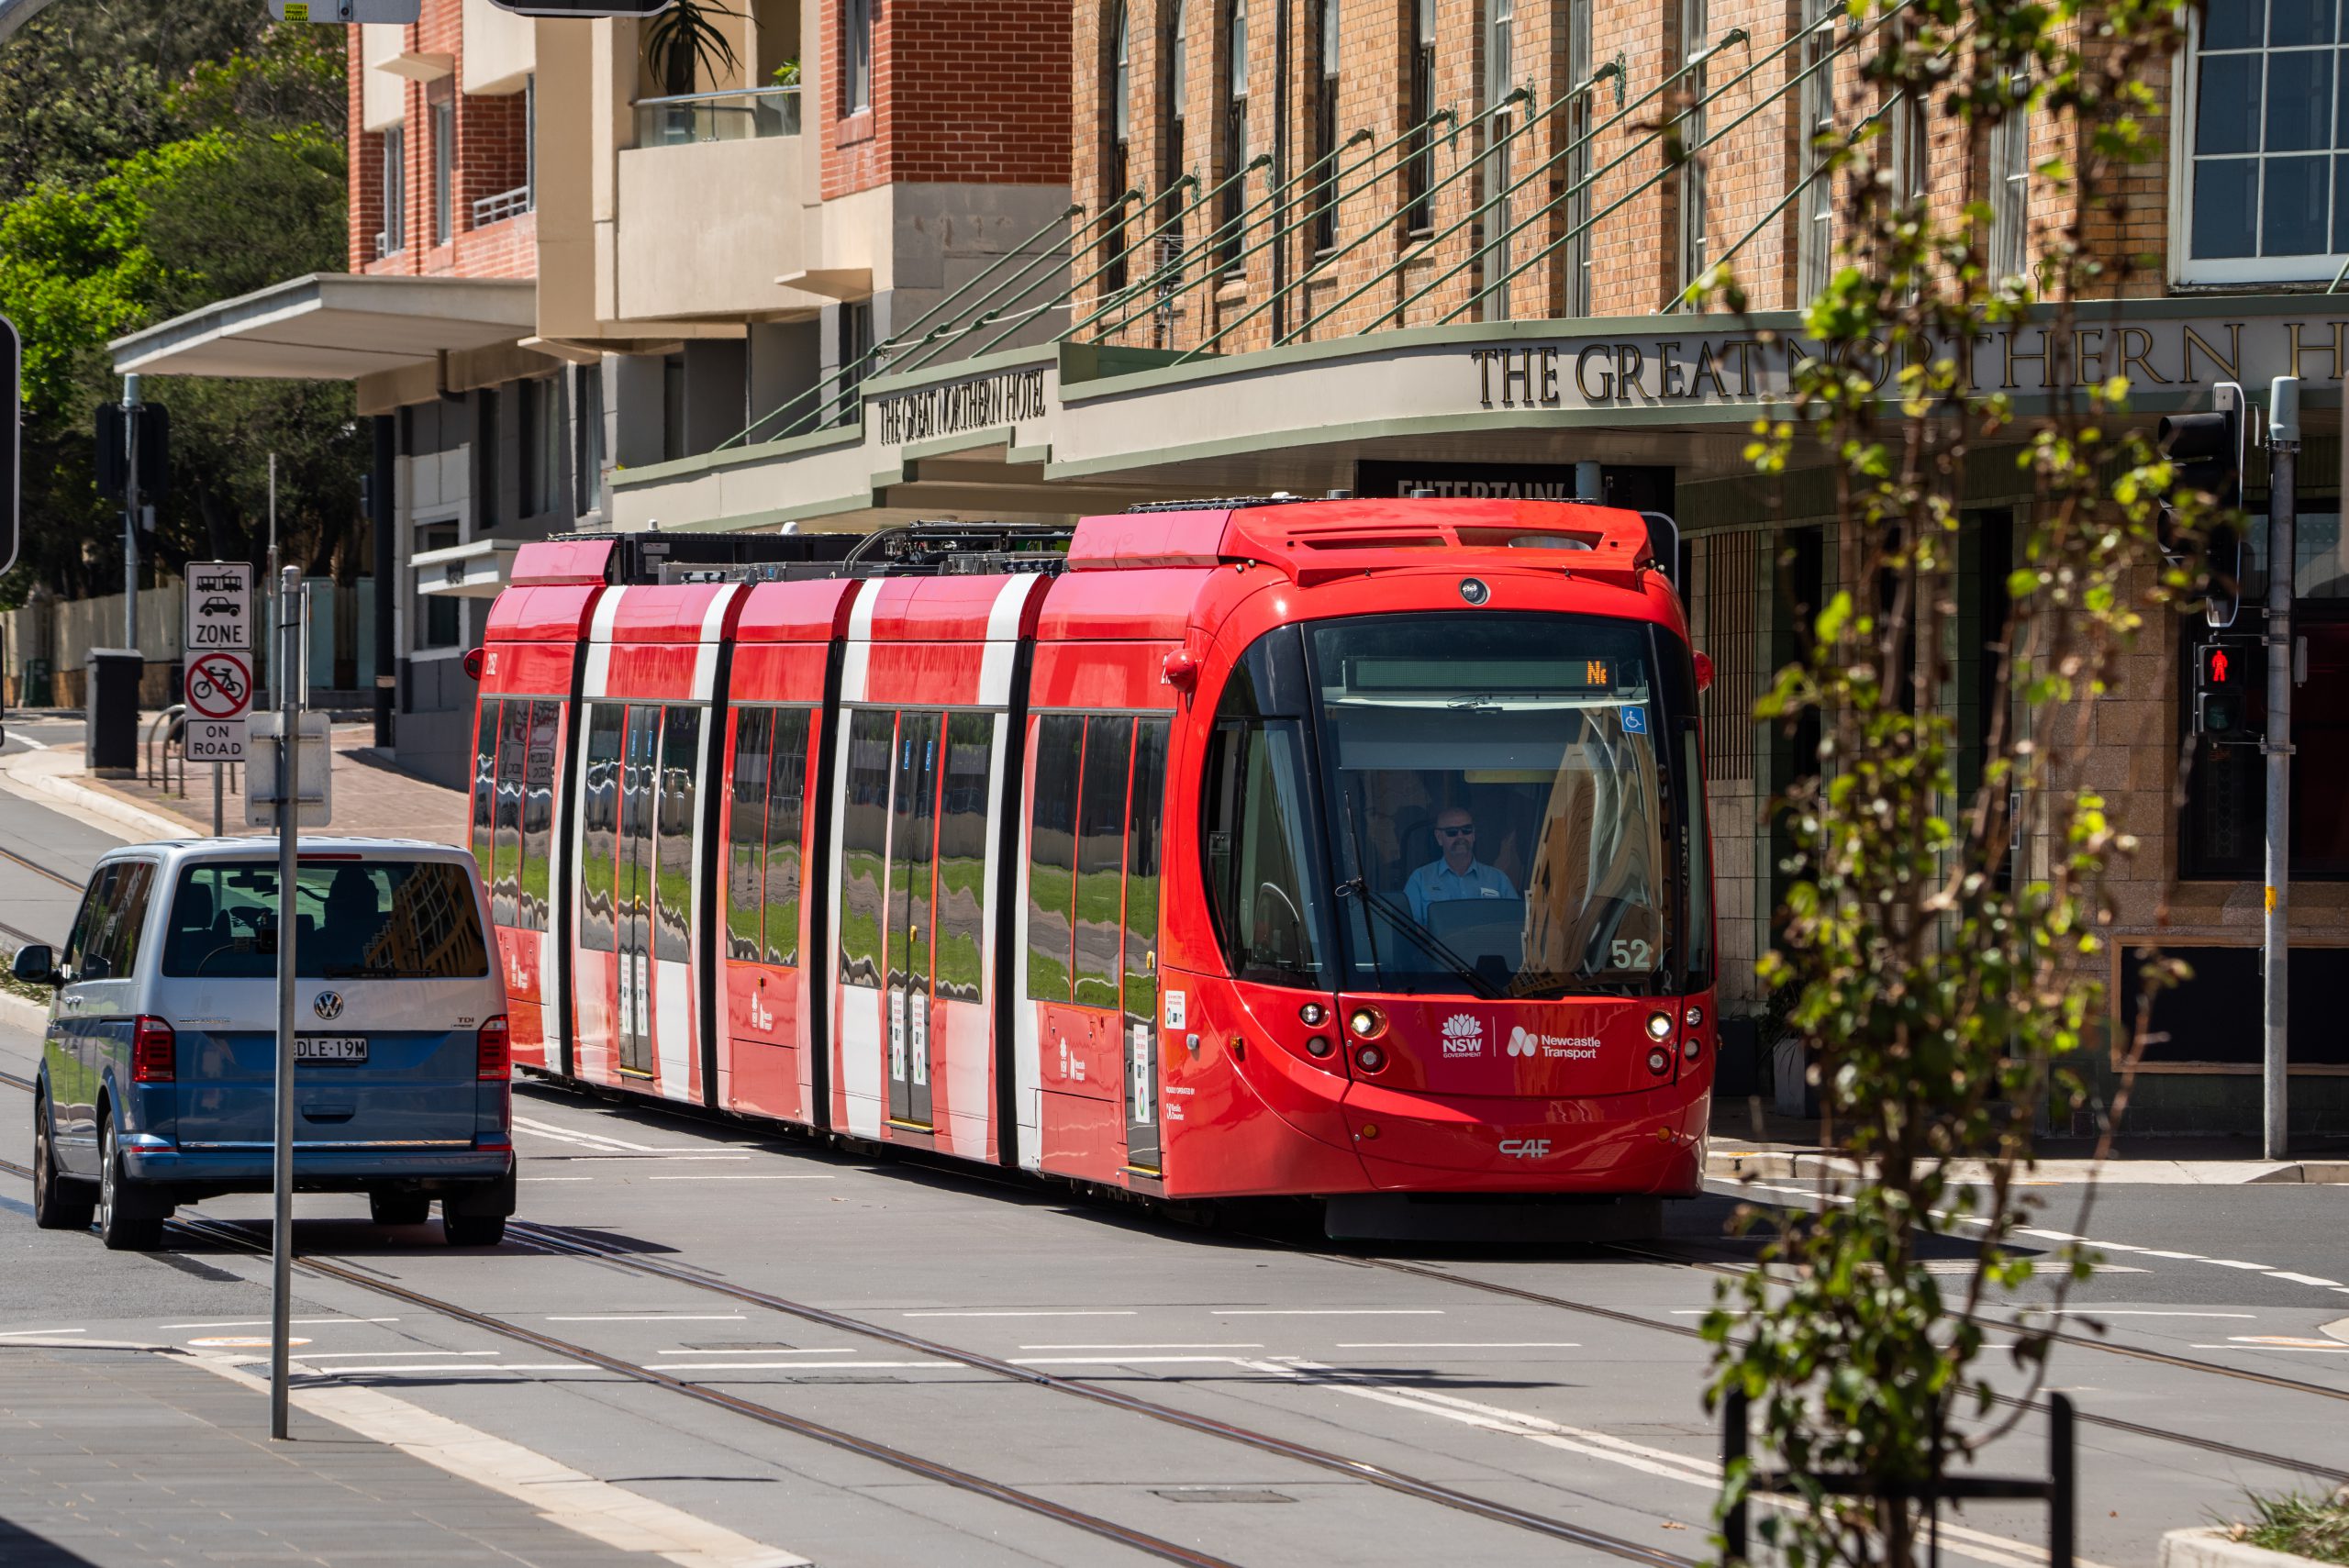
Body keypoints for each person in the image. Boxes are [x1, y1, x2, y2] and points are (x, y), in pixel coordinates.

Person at [1404, 806, 1518, 924]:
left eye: (1466, 830)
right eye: (1452, 832)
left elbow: (1515, 925)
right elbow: (1409, 929)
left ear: (1473, 834)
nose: (1460, 836)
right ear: (1439, 837)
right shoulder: (1420, 879)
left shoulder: (1498, 879)